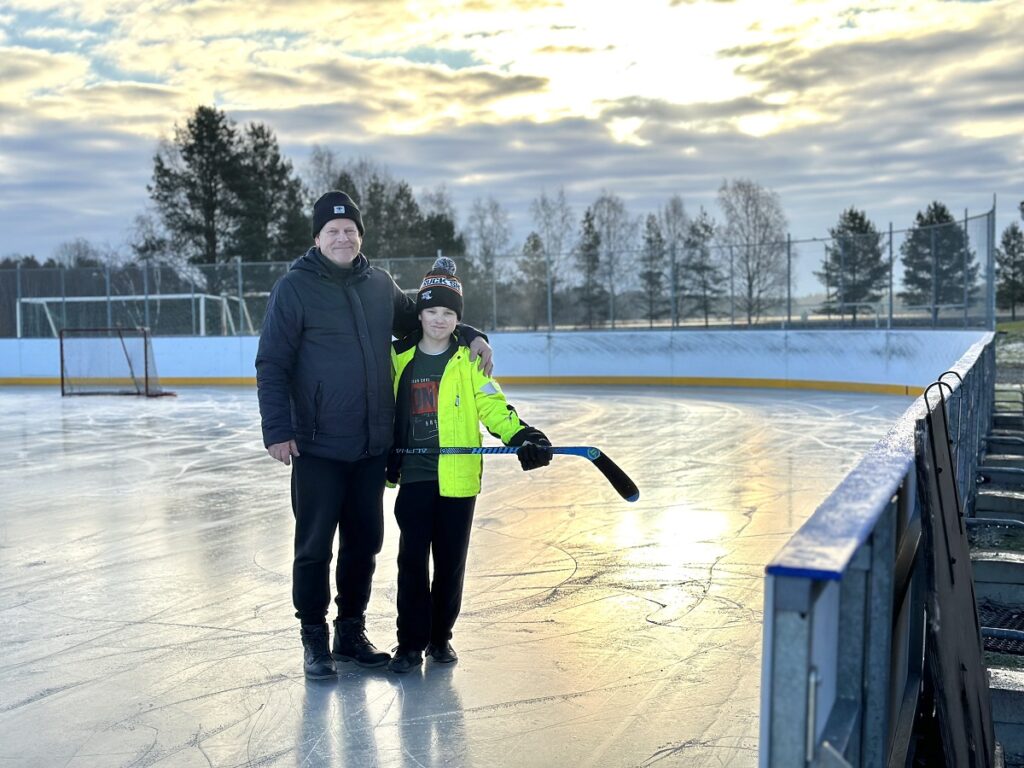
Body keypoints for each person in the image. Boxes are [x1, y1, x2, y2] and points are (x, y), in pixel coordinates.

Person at [255, 191, 494, 680]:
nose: (342, 238)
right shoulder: (294, 289)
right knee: (315, 545)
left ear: (360, 235)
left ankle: (350, 631)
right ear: (317, 237)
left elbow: (428, 316)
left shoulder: (379, 284)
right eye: (332, 231)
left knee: (365, 543)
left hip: (371, 446)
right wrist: (277, 429)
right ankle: (315, 639)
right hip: (317, 444)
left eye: (350, 230)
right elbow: (272, 363)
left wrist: (470, 331)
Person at [385, 256, 552, 673]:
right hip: (415, 477)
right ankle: (409, 644)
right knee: (411, 563)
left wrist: (523, 436)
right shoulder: (398, 358)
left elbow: (494, 408)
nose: (439, 320)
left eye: (448, 313)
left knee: (450, 564)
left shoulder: (468, 361)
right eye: (431, 311)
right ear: (419, 313)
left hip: (458, 481)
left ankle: (440, 639)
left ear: (457, 318)